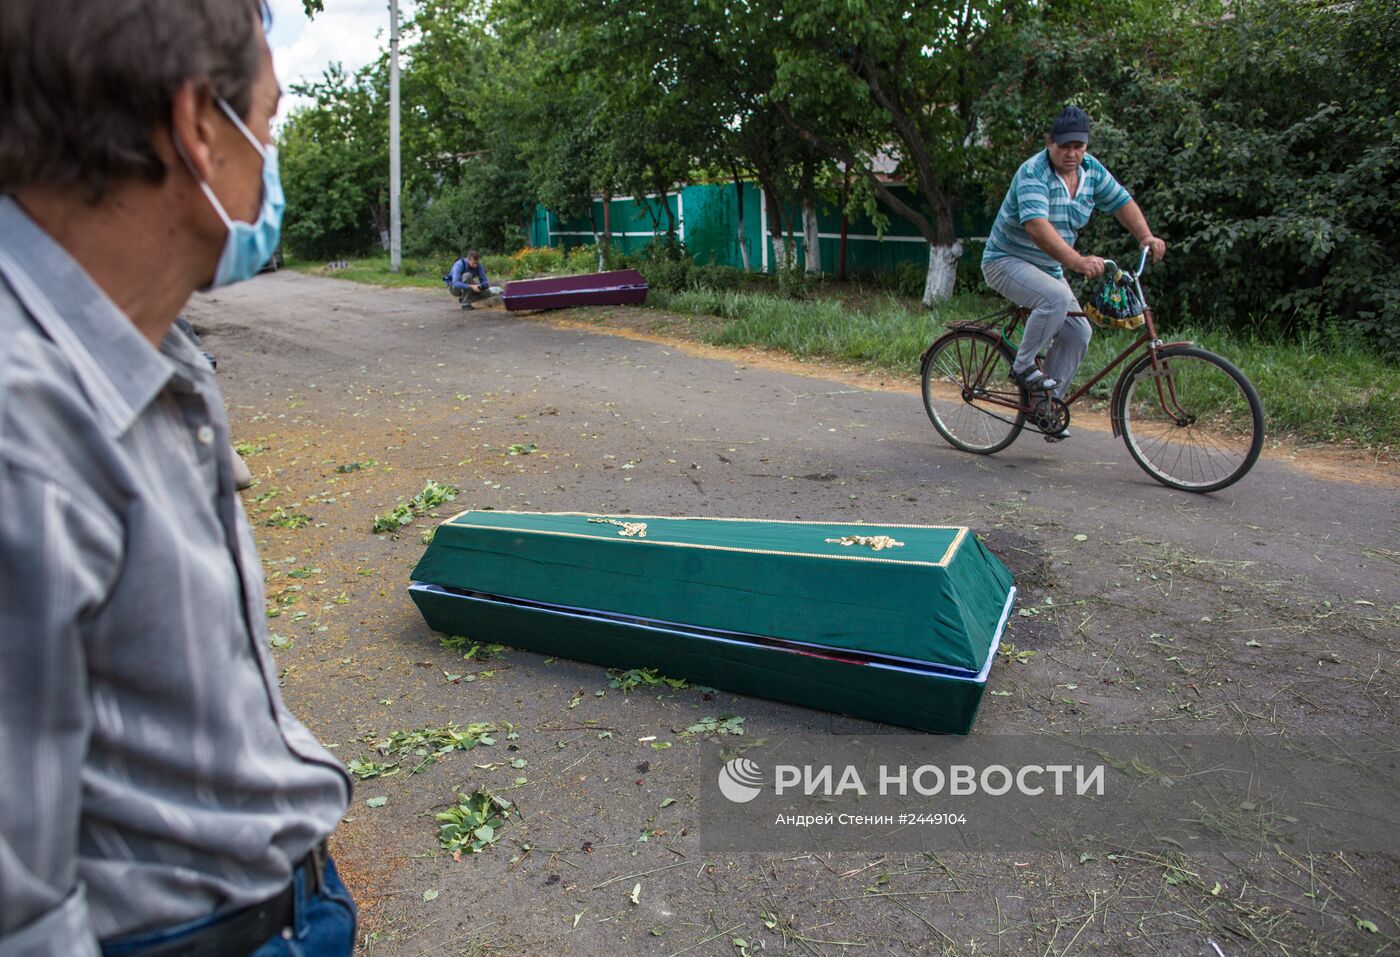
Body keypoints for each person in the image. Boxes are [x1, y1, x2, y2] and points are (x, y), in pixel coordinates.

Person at [0, 2, 355, 956]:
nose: (272, 163)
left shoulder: (143, 342)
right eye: (269, 125)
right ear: (202, 126)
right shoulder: (19, 427)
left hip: (278, 903)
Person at [981, 106, 1167, 431]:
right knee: (1053, 298)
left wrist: (1145, 236)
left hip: (1047, 269)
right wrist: (1077, 261)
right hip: (1005, 261)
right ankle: (1023, 366)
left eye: (1078, 146)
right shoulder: (1033, 173)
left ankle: (1044, 409)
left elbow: (1122, 201)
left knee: (1079, 331)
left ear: (1086, 145)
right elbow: (1037, 227)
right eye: (1064, 146)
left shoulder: (1091, 171)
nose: (1072, 154)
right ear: (1050, 142)